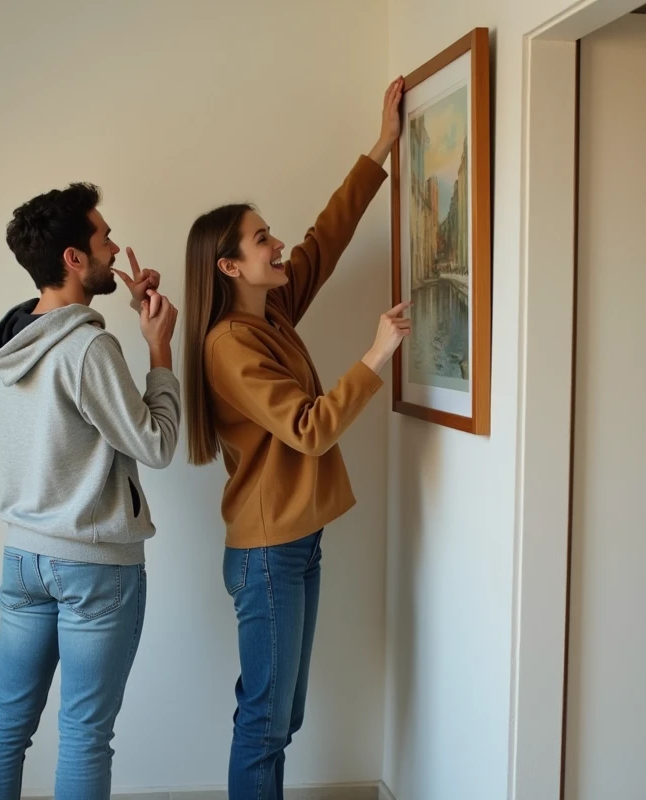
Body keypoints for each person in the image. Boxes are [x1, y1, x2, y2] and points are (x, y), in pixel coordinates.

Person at [182, 77, 409, 799]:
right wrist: (375, 354)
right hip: (268, 554)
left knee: (284, 717)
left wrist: (383, 146)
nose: (277, 243)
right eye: (261, 239)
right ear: (230, 266)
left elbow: (326, 236)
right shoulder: (229, 344)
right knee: (265, 724)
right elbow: (309, 430)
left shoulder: (271, 311)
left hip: (295, 544)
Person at [0, 181, 180, 800]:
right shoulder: (90, 348)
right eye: (104, 238)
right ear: (73, 258)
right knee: (85, 735)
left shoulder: (15, 340)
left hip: (23, 559)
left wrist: (127, 310)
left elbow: (76, 387)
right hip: (93, 566)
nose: (116, 248)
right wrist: (159, 349)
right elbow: (157, 444)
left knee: (6, 721)